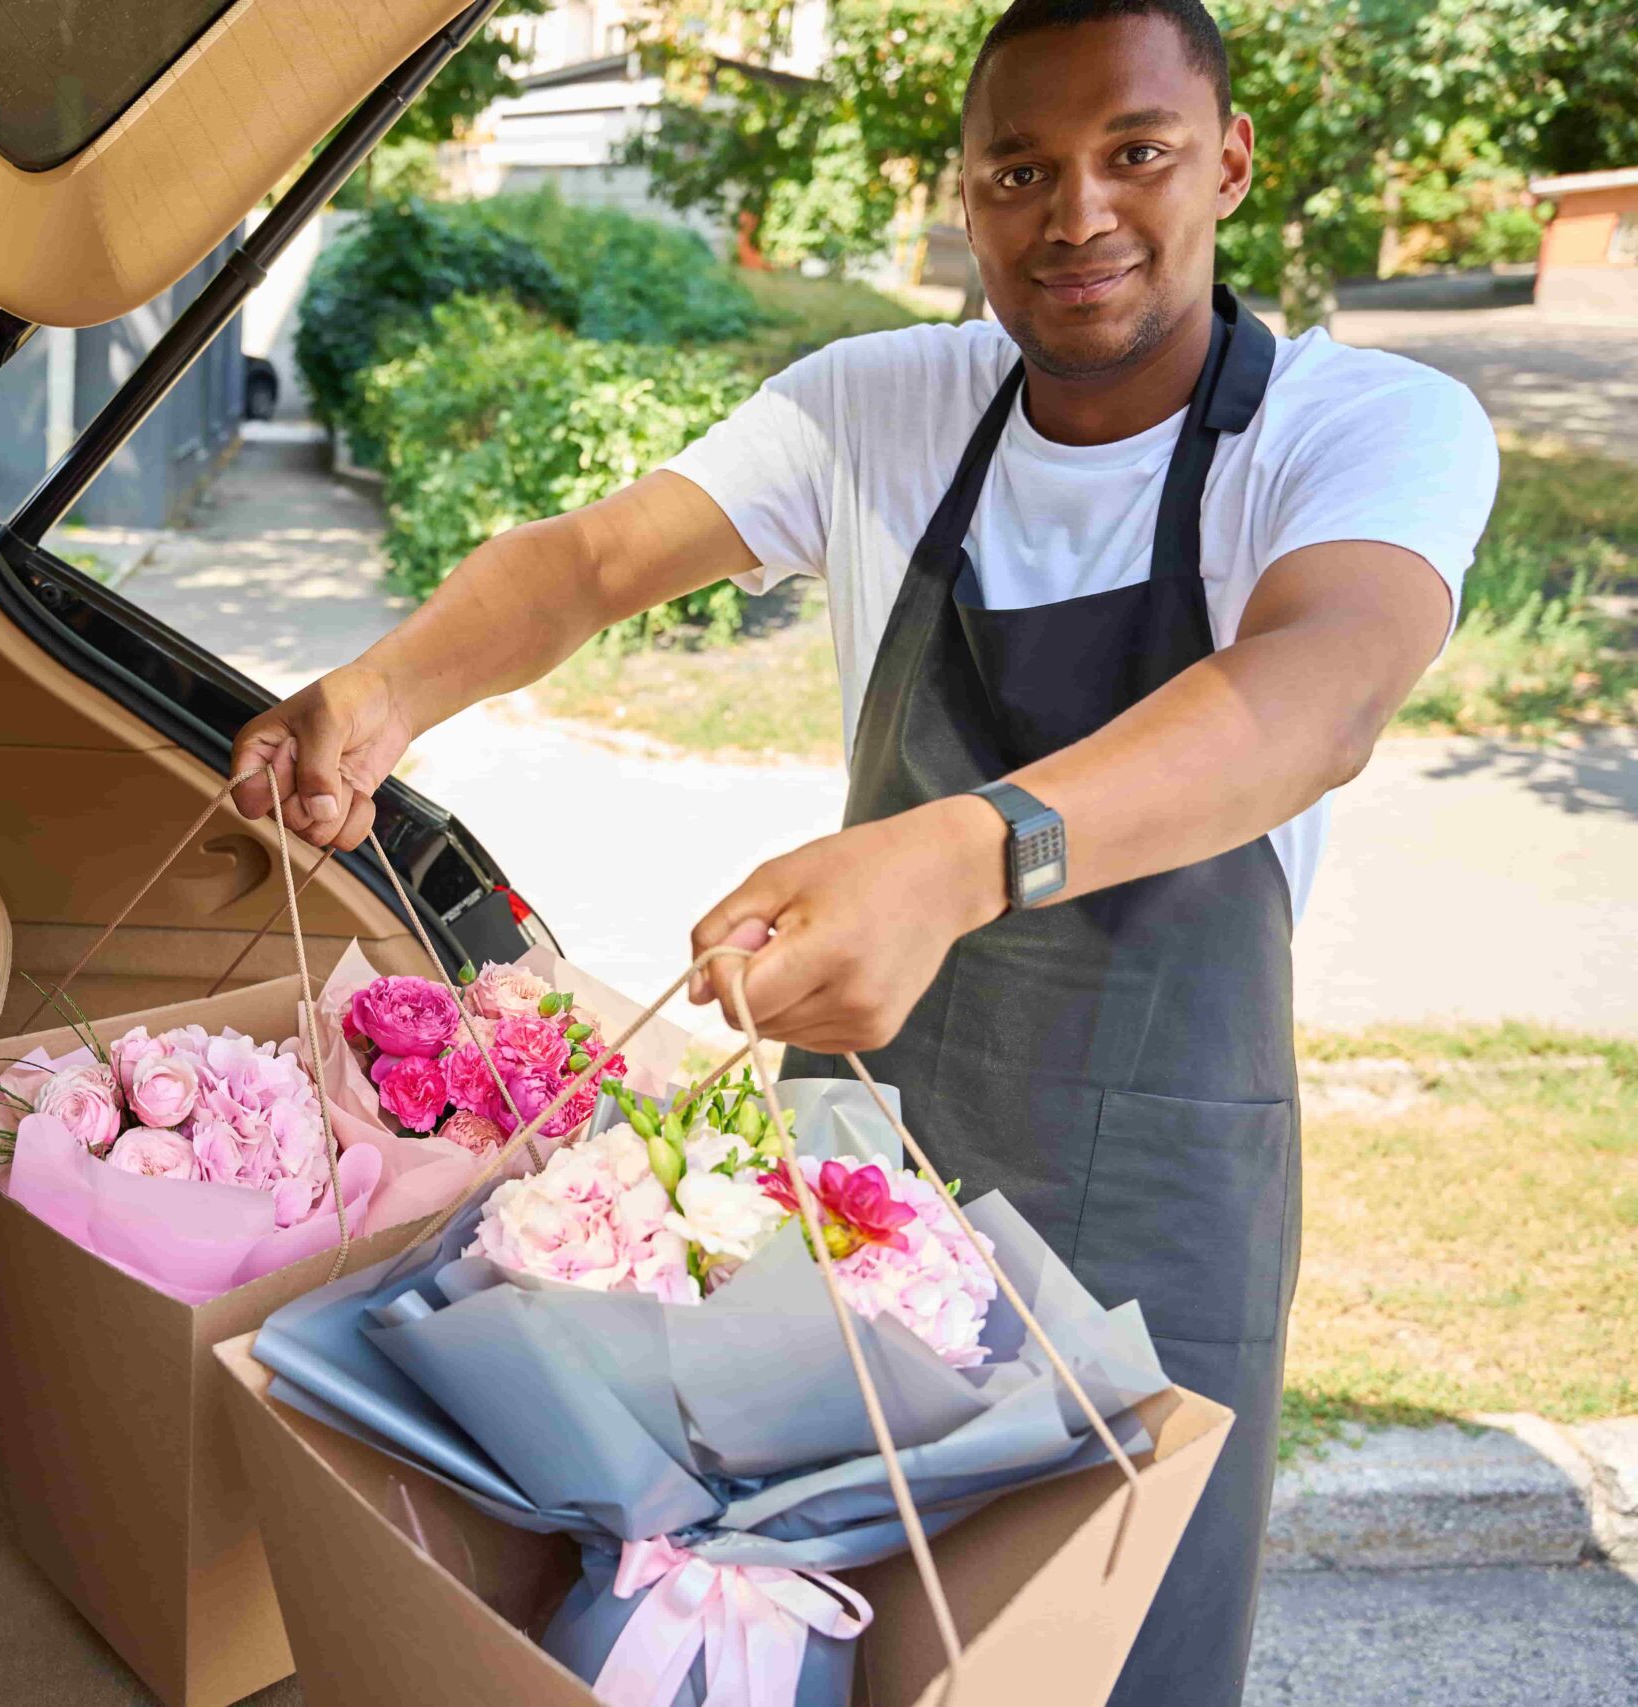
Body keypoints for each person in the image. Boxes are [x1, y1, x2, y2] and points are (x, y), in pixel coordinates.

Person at [232, 0, 1500, 1698]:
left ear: (1231, 163)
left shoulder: (1369, 430)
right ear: (963, 195)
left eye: (1137, 154)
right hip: (867, 1159)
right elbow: (591, 563)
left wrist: (957, 856)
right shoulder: (875, 406)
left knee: (1105, 1647)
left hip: (1165, 1195)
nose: (1080, 215)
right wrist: (383, 687)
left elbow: (1310, 694)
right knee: (825, 1619)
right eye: (1021, 170)